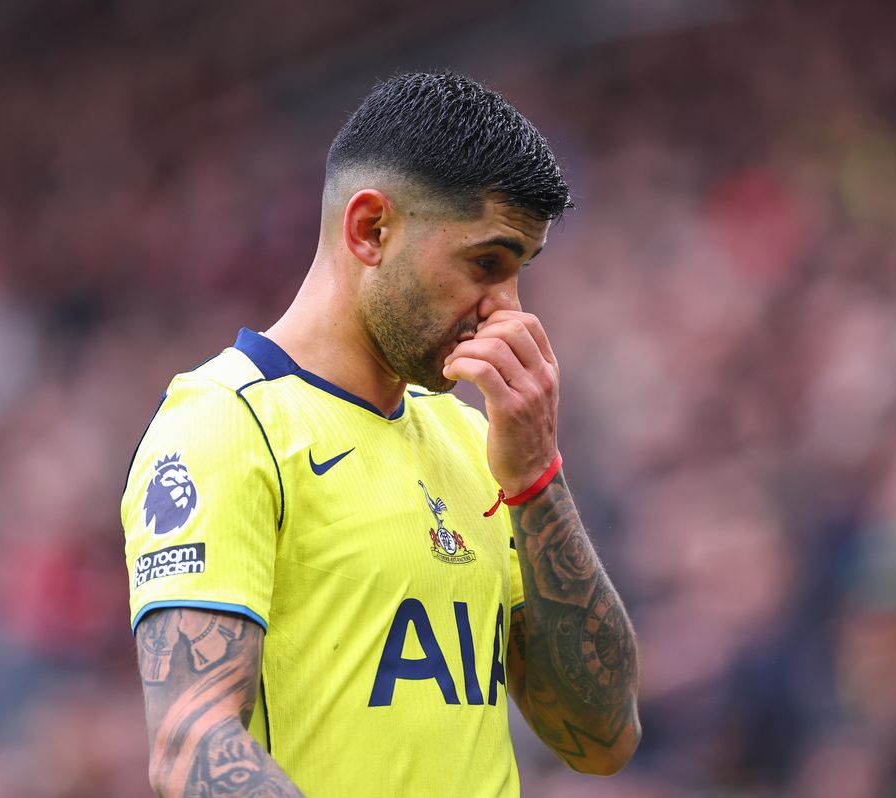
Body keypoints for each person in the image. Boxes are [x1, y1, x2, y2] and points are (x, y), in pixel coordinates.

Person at [121, 71, 640, 797]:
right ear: (371, 229)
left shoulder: (474, 441)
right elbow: (192, 745)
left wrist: (536, 481)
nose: (508, 311)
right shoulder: (225, 427)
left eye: (520, 272)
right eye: (486, 264)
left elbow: (604, 736)